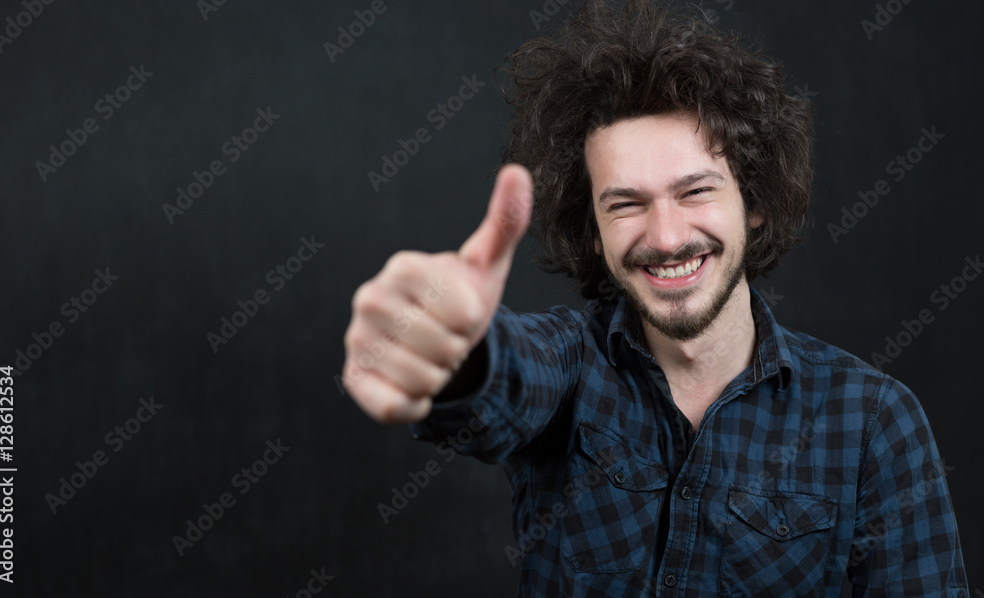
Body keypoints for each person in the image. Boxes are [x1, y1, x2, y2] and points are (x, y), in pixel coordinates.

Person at [341, 1, 969, 595]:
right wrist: (451, 349)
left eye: (696, 192)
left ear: (753, 207)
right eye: (626, 204)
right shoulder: (567, 369)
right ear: (592, 234)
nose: (666, 237)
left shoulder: (873, 422)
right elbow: (502, 378)